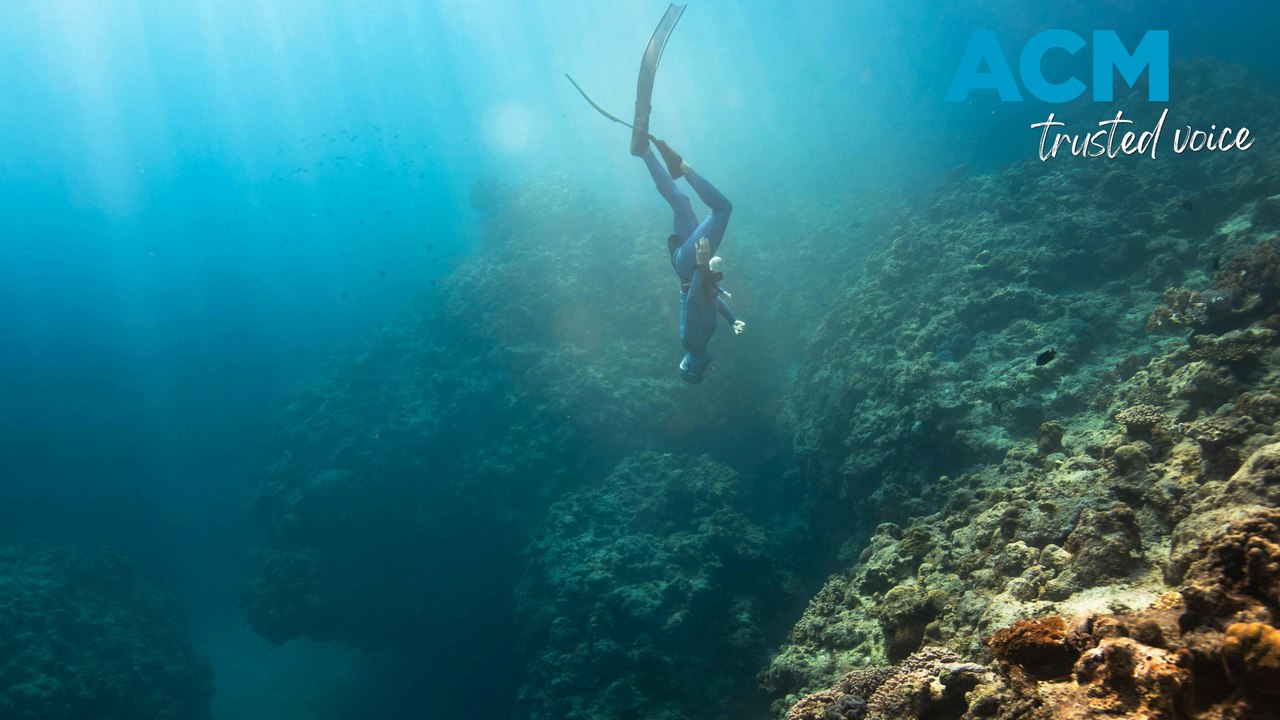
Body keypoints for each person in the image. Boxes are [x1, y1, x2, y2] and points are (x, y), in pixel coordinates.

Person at [635, 137, 744, 383]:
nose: (710, 371)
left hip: (692, 267)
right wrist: (732, 319)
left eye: (704, 374)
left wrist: (702, 264)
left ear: (694, 369)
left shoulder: (693, 340)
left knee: (722, 209)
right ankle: (644, 152)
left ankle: (683, 168)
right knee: (680, 202)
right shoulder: (699, 340)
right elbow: (710, 301)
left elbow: (696, 298)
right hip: (686, 266)